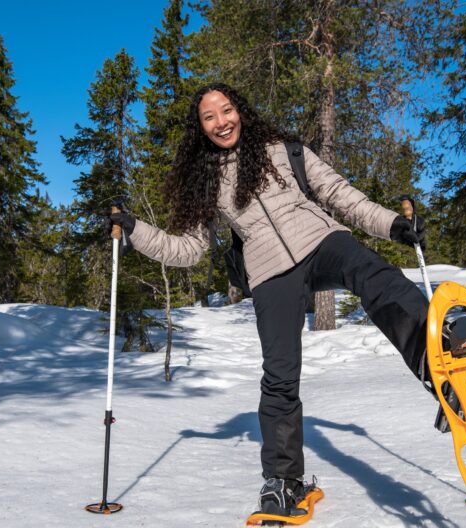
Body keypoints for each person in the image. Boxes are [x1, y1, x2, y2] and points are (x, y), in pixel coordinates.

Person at [104, 83, 430, 516]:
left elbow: (339, 195)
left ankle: (437, 354)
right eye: (209, 116)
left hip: (320, 239)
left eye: (226, 110)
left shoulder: (284, 149)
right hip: (270, 272)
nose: (221, 121)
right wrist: (136, 231)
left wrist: (393, 226)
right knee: (279, 374)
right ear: (199, 128)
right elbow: (188, 250)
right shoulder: (206, 182)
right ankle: (282, 481)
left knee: (372, 272)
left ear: (241, 110)